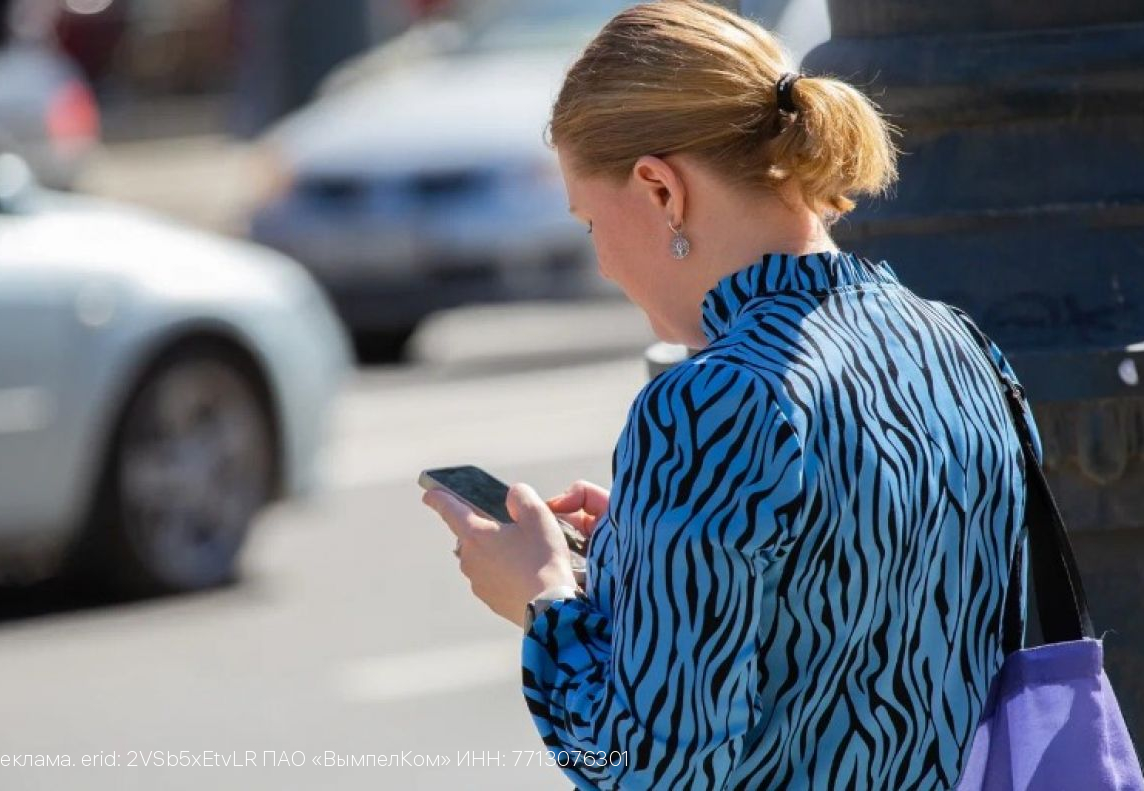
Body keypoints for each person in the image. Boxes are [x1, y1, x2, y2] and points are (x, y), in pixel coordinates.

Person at [420, 2, 1044, 788]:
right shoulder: (957, 345)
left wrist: (543, 601)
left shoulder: (712, 402)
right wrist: (645, 555)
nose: (604, 264)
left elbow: (646, 765)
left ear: (659, 189)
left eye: (588, 223)